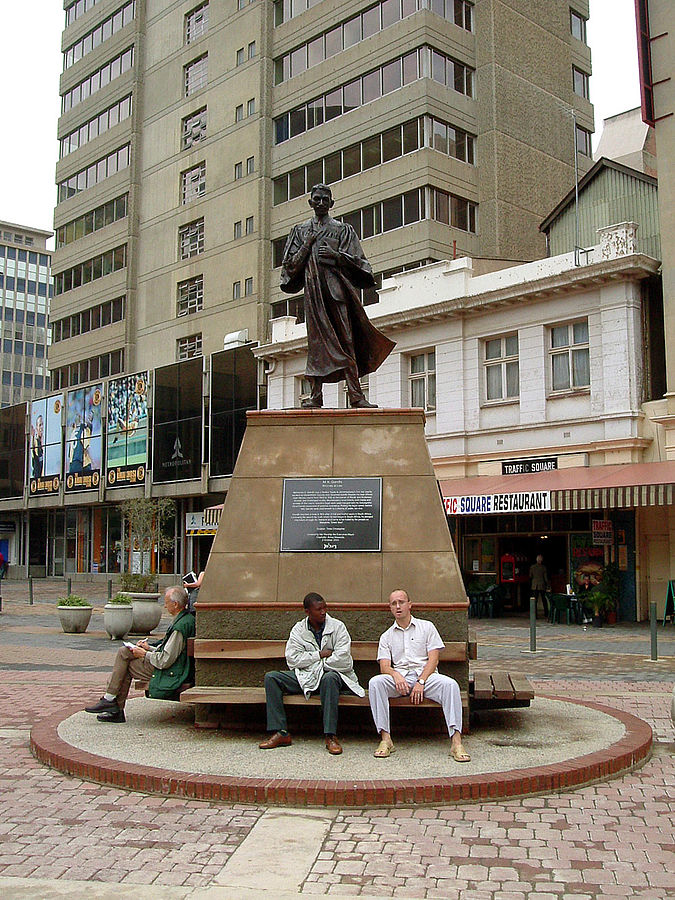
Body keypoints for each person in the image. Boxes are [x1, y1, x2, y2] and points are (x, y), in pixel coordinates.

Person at [280, 184, 395, 409]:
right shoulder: (300, 231)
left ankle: (356, 395)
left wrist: (337, 256)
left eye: (325, 199)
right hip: (313, 296)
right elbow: (289, 268)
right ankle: (315, 395)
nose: (321, 202)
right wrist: (307, 245)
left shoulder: (343, 230)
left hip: (337, 294)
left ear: (331, 203)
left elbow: (362, 264)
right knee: (316, 345)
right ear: (310, 202)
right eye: (317, 199)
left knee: (347, 341)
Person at [368, 589, 470, 762]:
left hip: (427, 677)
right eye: (394, 603)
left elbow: (434, 659)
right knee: (376, 683)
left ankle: (456, 742)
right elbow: (384, 666)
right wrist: (395, 675)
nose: (398, 606)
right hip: (400, 680)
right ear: (390, 608)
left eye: (401, 602)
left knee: (451, 685)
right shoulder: (386, 636)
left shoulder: (427, 627)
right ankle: (386, 739)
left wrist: (421, 681)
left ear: (410, 605)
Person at [259, 592, 364, 755]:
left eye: (325, 608)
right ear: (307, 612)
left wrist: (316, 664)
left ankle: (330, 736)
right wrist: (319, 655)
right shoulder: (298, 630)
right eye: (318, 609)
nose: (323, 612)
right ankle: (280, 732)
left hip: (334, 676)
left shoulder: (337, 627)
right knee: (271, 677)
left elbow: (343, 659)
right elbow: (292, 659)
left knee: (329, 678)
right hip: (306, 676)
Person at [85, 585, 195, 723]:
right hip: (173, 667)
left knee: (126, 665)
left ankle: (112, 703)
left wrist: (144, 654)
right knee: (124, 652)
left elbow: (164, 660)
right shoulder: (185, 619)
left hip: (172, 672)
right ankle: (111, 702)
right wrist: (149, 648)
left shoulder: (180, 626)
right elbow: (170, 652)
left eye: (166, 603)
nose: (165, 606)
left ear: (175, 604)